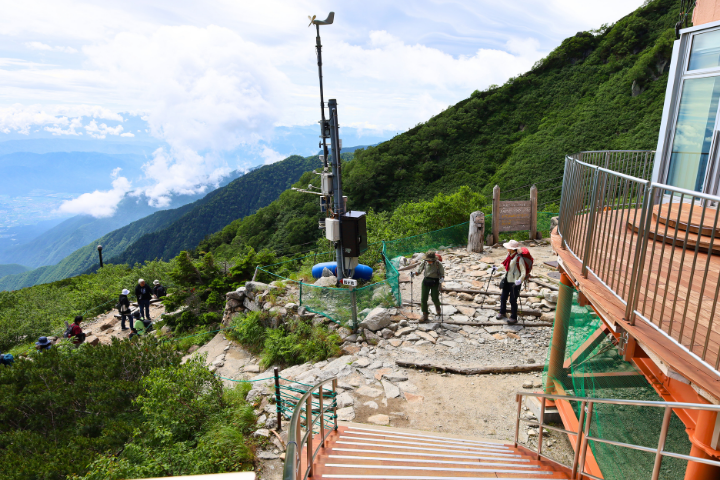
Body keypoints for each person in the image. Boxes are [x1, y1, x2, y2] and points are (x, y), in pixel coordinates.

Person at [497, 239, 527, 325]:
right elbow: (504, 265)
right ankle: (502, 312)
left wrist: (520, 280)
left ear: (512, 249)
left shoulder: (518, 258)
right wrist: (497, 269)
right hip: (507, 280)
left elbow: (523, 271)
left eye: (508, 248)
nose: (507, 248)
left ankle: (514, 317)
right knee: (503, 297)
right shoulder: (509, 255)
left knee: (513, 300)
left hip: (514, 283)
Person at [412, 250, 445, 322]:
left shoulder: (438, 264)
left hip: (435, 282)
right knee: (423, 299)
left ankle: (437, 306)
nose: (429, 261)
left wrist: (442, 279)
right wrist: (414, 273)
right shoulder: (424, 262)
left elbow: (442, 274)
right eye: (428, 260)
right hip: (426, 281)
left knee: (435, 297)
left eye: (430, 260)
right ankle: (425, 314)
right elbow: (419, 271)